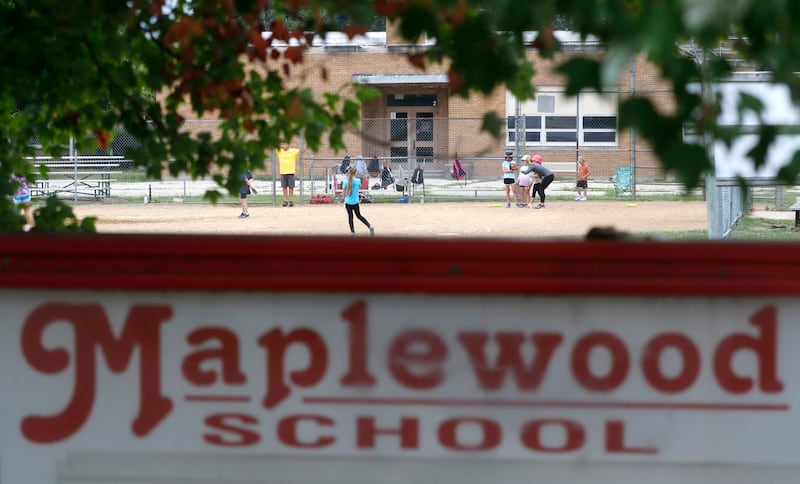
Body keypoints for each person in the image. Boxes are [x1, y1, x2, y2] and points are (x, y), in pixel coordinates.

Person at [342, 166, 374, 236]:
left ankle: (352, 232)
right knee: (359, 215)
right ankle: (369, 226)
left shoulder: (345, 182)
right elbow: (357, 188)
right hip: (355, 202)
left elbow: (343, 194)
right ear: (355, 173)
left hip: (348, 203)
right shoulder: (358, 181)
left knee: (350, 217)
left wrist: (344, 198)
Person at [277, 141, 300, 207]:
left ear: (288, 145)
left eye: (285, 144)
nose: (284, 145)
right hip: (283, 172)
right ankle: (285, 200)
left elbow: (301, 150)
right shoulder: (279, 151)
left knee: (291, 187)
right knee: (284, 187)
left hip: (291, 172)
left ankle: (291, 201)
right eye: (283, 144)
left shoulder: (293, 151)